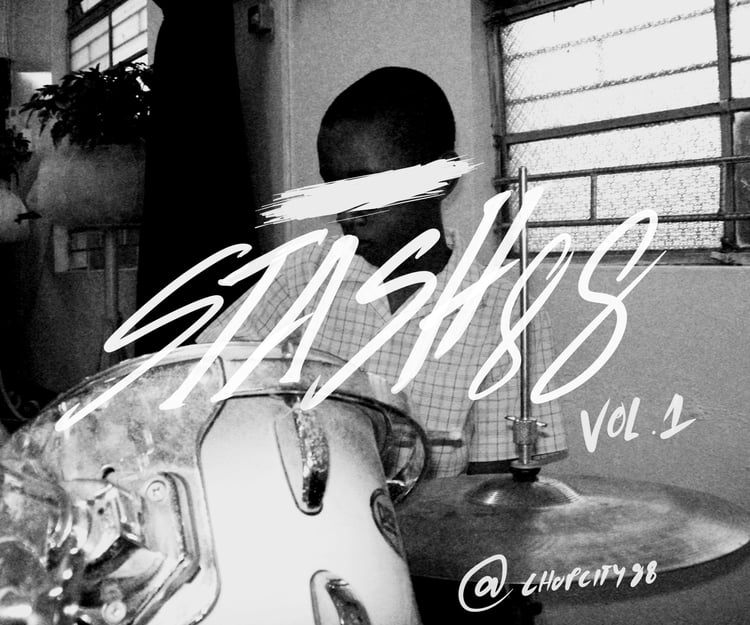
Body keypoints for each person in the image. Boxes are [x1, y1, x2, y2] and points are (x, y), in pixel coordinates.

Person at [198, 66, 566, 478]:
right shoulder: (304, 275)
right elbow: (202, 377)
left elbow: (491, 496)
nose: (346, 213)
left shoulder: (505, 315)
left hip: (431, 517)